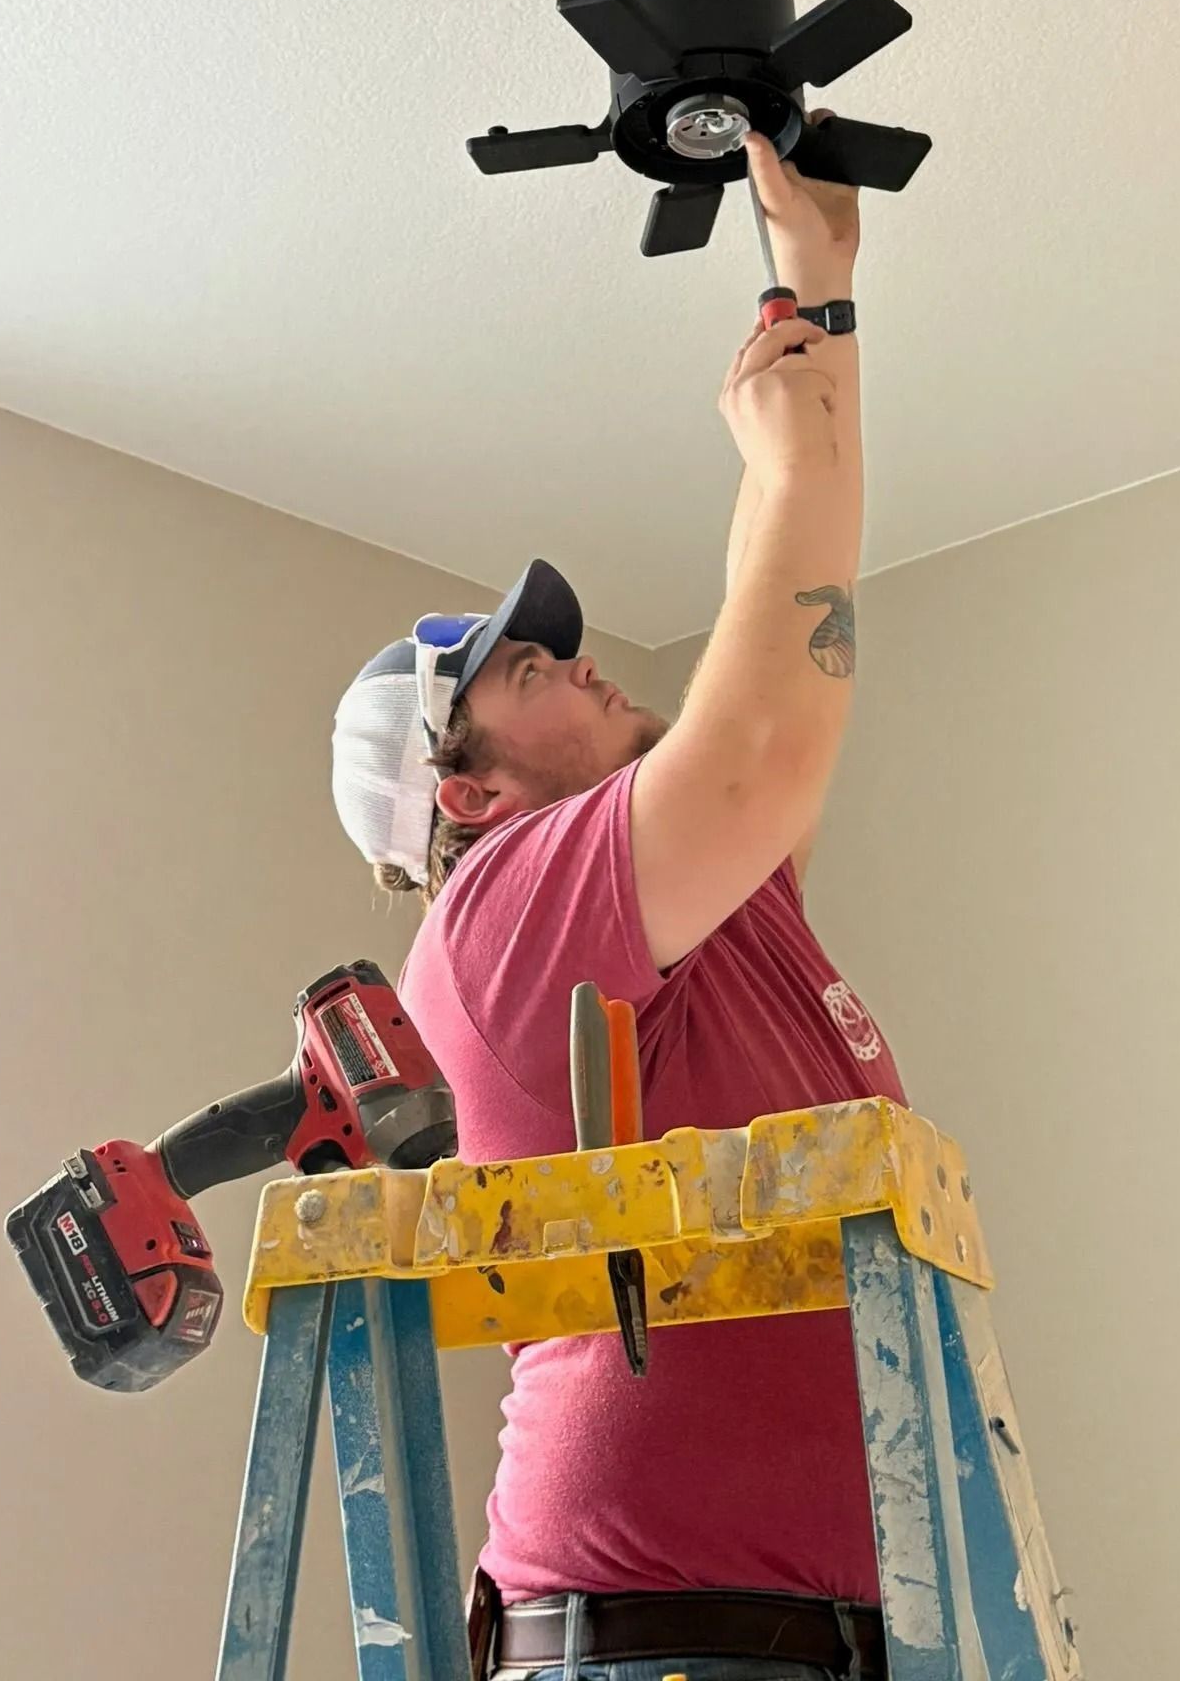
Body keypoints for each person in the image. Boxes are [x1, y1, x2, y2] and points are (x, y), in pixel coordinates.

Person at [331, 127, 904, 1681]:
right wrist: (787, 453)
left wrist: (820, 295)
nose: (584, 661)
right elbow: (765, 728)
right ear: (466, 796)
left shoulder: (705, 914)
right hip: (658, 1645)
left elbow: (769, 682)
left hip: (794, 1637)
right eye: (529, 672)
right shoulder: (507, 907)